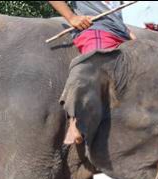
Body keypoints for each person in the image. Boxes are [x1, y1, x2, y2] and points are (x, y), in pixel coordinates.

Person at [49, 1, 136, 145]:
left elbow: (115, 17)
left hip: (120, 35)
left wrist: (130, 34)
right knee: (94, 62)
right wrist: (71, 17)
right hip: (97, 30)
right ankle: (75, 118)